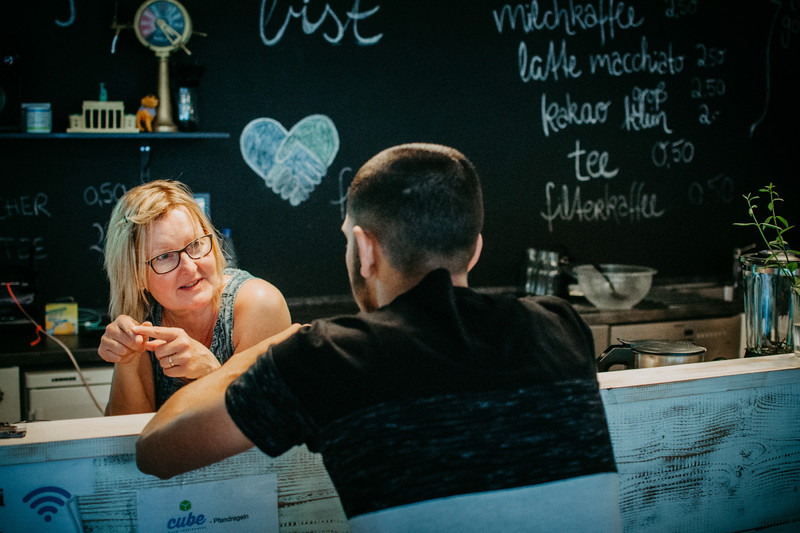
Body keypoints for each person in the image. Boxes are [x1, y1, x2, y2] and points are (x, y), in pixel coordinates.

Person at [136, 144, 620, 531]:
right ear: (474, 250)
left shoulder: (329, 356)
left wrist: (265, 350)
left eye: (349, 237)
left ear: (364, 249)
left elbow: (156, 451)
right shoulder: (563, 326)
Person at [98, 179, 291, 415]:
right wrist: (126, 360)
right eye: (165, 256)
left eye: (196, 244)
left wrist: (211, 372)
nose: (189, 267)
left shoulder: (260, 305)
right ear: (136, 276)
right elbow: (124, 437)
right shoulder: (141, 316)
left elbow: (266, 426)